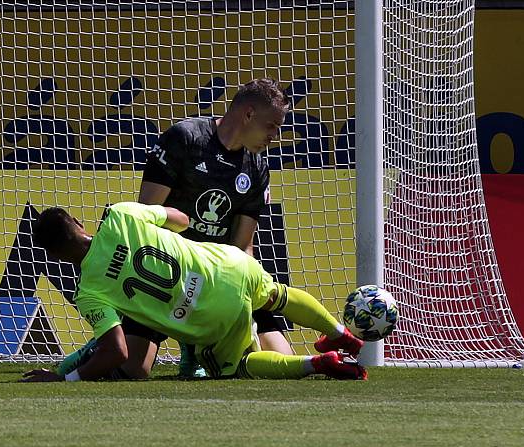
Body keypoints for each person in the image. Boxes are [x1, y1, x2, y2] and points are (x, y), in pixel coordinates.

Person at [21, 202, 367, 382]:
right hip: (226, 264)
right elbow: (182, 219)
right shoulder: (119, 216)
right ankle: (340, 333)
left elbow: (116, 352)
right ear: (79, 224)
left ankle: (316, 364)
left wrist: (66, 377)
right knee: (278, 294)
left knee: (239, 365)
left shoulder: (90, 291)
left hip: (209, 316)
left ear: (56, 257)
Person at [137, 78, 294, 377]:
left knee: (281, 360)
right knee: (133, 367)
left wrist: (243, 296)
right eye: (272, 126)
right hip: (168, 272)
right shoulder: (185, 139)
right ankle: (187, 339)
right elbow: (145, 217)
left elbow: (243, 246)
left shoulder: (257, 167)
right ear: (248, 115)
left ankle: (203, 341)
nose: (275, 136)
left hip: (219, 280)